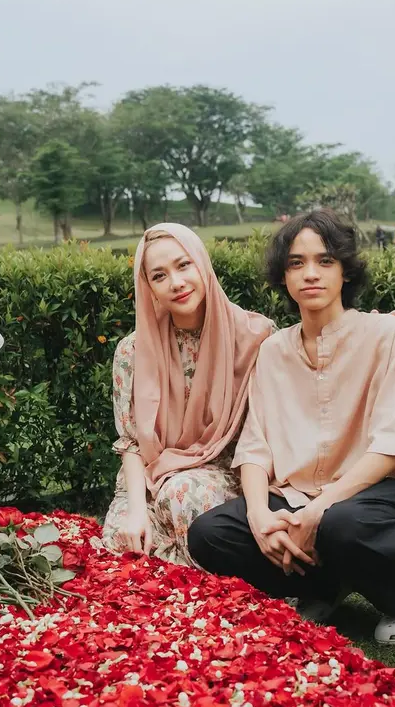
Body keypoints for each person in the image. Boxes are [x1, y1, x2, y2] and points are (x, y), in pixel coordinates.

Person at [188, 209, 395, 644]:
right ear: (283, 276)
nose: (310, 273)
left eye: (325, 261)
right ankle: (322, 586)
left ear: (345, 271)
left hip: (374, 494)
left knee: (341, 524)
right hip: (295, 494)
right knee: (210, 535)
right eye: (296, 263)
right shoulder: (273, 352)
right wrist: (259, 515)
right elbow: (256, 447)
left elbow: (393, 445)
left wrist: (318, 509)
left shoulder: (388, 336)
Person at [101, 223, 274, 565]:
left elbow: (274, 423)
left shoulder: (256, 338)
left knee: (183, 495)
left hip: (226, 475)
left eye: (184, 265)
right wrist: (136, 511)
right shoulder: (133, 351)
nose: (176, 282)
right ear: (149, 287)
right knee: (127, 545)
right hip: (149, 481)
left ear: (202, 264)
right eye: (159, 275)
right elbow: (132, 444)